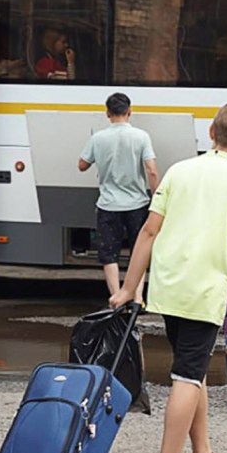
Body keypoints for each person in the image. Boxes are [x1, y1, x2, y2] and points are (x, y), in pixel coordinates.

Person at [109, 102, 227, 453]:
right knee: (185, 376)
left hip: (168, 286)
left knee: (192, 371)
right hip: (202, 290)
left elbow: (148, 231)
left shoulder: (180, 171)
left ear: (211, 132)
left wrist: (130, 288)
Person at [78, 93, 159, 304]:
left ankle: (116, 297)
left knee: (109, 253)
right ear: (129, 112)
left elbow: (82, 165)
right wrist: (156, 196)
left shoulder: (98, 138)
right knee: (138, 251)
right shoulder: (142, 137)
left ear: (107, 113)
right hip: (138, 204)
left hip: (108, 205)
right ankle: (138, 298)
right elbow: (151, 170)